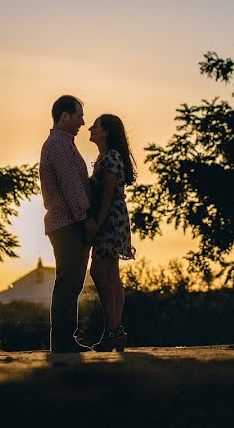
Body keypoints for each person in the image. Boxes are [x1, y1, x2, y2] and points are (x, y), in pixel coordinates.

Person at [39, 95, 99, 353]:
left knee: (71, 281)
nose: (82, 122)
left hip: (67, 222)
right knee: (69, 281)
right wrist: (86, 219)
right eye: (78, 116)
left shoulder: (63, 144)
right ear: (64, 116)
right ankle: (63, 340)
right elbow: (71, 185)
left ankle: (64, 339)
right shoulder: (58, 145)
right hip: (68, 223)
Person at [87, 113, 137, 352]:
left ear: (105, 132)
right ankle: (116, 331)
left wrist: (97, 222)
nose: (90, 128)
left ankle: (113, 330)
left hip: (110, 219)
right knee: (111, 274)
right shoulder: (105, 157)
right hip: (116, 217)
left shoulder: (109, 158)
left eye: (95, 126)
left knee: (98, 271)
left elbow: (106, 195)